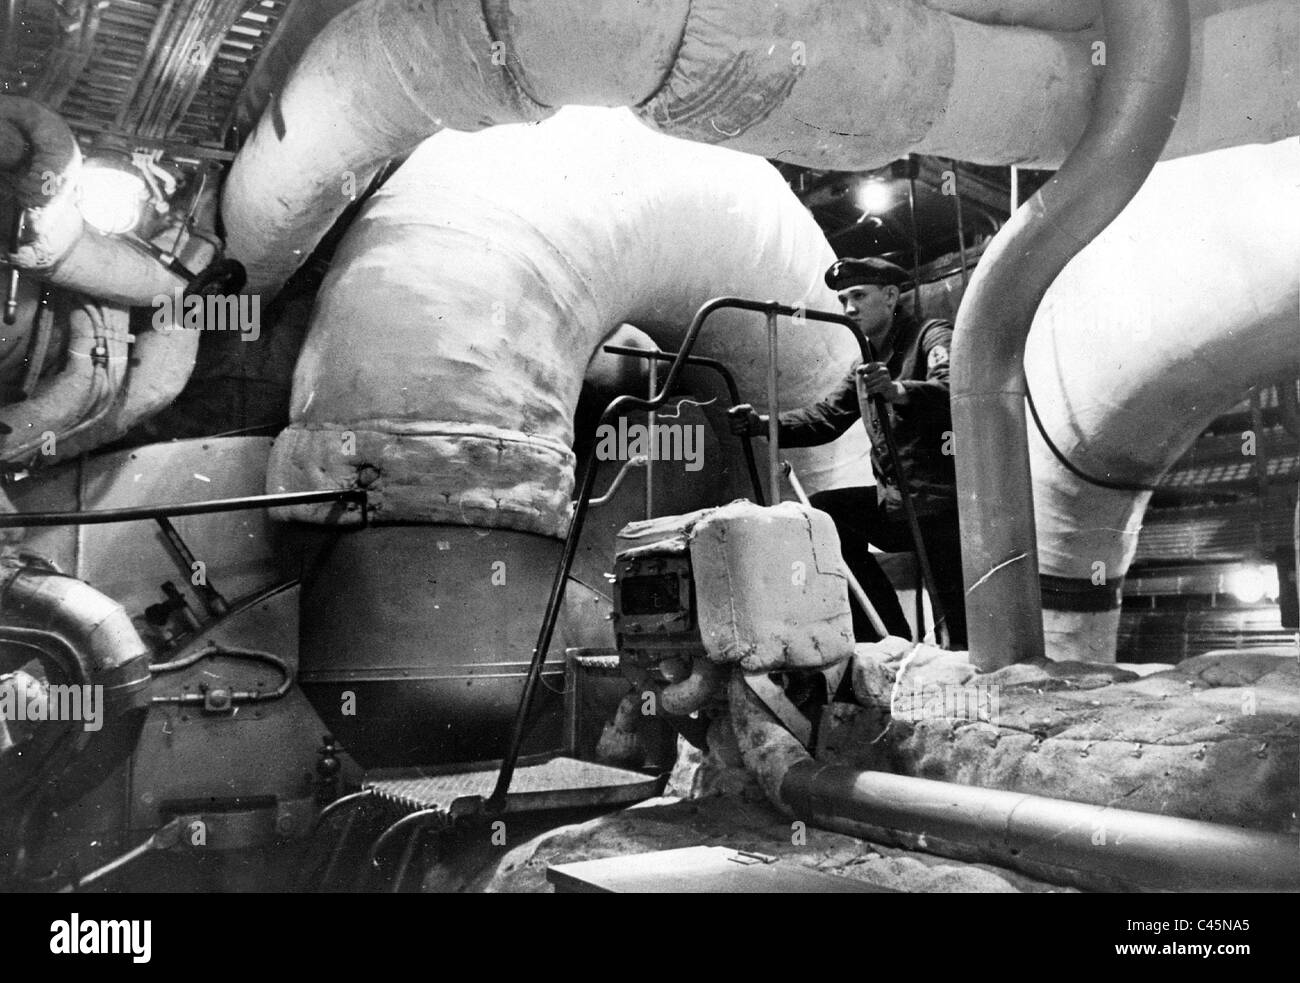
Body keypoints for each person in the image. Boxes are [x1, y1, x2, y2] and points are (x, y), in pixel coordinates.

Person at [728, 256, 967, 648]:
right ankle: (887, 639)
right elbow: (827, 417)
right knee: (825, 515)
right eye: (842, 300)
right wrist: (762, 424)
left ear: (890, 296)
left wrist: (900, 391)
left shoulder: (931, 336)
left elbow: (954, 391)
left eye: (859, 295)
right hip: (898, 505)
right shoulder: (866, 363)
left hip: (943, 507)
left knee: (960, 630)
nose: (849, 308)